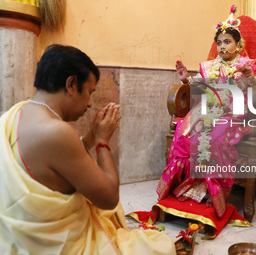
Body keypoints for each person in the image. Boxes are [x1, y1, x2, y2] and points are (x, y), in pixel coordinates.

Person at [0, 44, 176, 255]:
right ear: (72, 84)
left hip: (19, 240)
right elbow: (109, 198)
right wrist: (103, 141)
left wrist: (91, 137)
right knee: (158, 247)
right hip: (59, 246)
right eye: (90, 93)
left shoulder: (15, 113)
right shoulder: (56, 132)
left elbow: (57, 169)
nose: (90, 104)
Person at [156, 6, 256, 219]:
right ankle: (185, 188)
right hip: (206, 110)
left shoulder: (246, 66)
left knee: (214, 140)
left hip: (232, 113)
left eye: (227, 41)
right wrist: (184, 79)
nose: (221, 46)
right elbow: (198, 85)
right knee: (184, 135)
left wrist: (250, 77)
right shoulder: (209, 67)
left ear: (238, 45)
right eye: (219, 42)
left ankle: (211, 191)